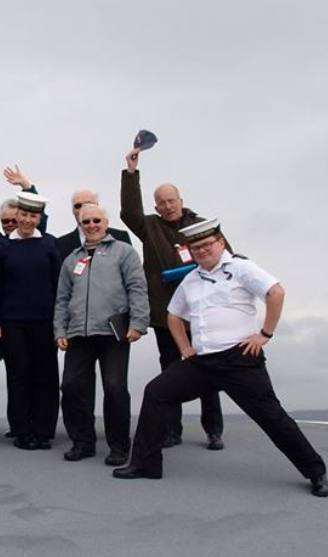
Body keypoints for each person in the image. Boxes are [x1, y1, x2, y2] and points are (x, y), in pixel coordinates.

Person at [113, 219, 328, 498]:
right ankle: (146, 465)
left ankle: (315, 472)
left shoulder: (241, 269)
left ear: (220, 243)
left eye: (207, 244)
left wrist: (265, 334)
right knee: (156, 392)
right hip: (203, 362)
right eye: (196, 247)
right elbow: (174, 315)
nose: (202, 251)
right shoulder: (191, 279)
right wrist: (185, 348)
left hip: (239, 359)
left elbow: (276, 292)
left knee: (271, 417)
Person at [119, 147, 225, 450]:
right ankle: (172, 430)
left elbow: (225, 257)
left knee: (208, 367)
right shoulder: (149, 227)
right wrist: (131, 173)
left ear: (181, 201)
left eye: (171, 201)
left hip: (203, 310)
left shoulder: (203, 225)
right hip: (167, 313)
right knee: (170, 370)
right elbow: (128, 212)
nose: (166, 206)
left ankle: (213, 430)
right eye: (161, 202)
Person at [54, 204, 149, 465]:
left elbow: (137, 288)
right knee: (71, 386)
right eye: (86, 221)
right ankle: (83, 441)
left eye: (97, 220)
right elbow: (62, 299)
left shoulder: (124, 252)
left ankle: (118, 446)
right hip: (79, 335)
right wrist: (59, 330)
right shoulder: (72, 259)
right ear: (80, 225)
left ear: (106, 223)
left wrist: (138, 322)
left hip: (113, 333)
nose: (92, 225)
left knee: (115, 388)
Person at [0, 191, 62, 450]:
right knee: (19, 375)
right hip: (12, 321)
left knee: (46, 375)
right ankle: (21, 430)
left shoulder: (50, 244)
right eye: (24, 215)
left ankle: (43, 430)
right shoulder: (1, 247)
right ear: (16, 215)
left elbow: (59, 287)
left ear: (39, 218)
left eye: (33, 216)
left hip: (45, 320)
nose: (28, 220)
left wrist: (60, 321)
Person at [55, 189, 131, 260]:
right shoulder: (61, 244)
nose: (83, 209)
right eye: (78, 206)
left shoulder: (120, 237)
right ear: (73, 211)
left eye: (88, 204)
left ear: (97, 206)